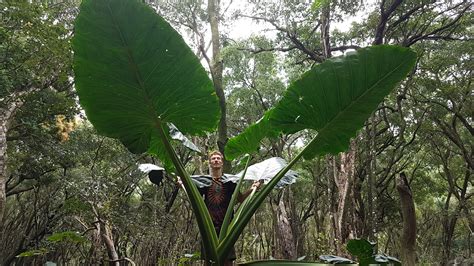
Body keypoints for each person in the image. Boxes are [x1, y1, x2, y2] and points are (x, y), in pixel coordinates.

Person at [182, 151, 261, 266]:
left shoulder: (229, 181)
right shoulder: (204, 181)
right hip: (209, 226)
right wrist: (182, 186)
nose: (216, 160)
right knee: (208, 260)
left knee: (227, 259)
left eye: (218, 158)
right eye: (213, 158)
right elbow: (195, 198)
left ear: (222, 163)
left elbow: (240, 198)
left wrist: (253, 188)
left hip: (227, 226)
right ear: (210, 163)